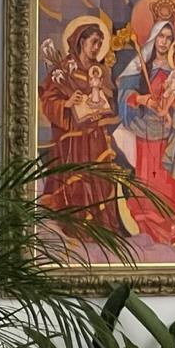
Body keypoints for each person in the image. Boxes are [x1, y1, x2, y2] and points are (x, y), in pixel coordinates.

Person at [114, 20, 175, 244]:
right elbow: (124, 95)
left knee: (171, 182)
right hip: (146, 133)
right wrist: (144, 99)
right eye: (161, 37)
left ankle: (173, 225)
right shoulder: (140, 65)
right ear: (153, 38)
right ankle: (149, 228)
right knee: (150, 183)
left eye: (169, 37)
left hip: (171, 133)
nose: (164, 42)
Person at [37, 22, 120, 231]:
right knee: (77, 180)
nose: (97, 48)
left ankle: (101, 227)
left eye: (100, 44)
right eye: (93, 42)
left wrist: (102, 99)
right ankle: (77, 226)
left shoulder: (101, 71)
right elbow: (47, 100)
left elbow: (112, 101)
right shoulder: (63, 69)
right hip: (73, 140)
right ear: (82, 42)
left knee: (98, 179)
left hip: (95, 138)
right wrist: (66, 103)